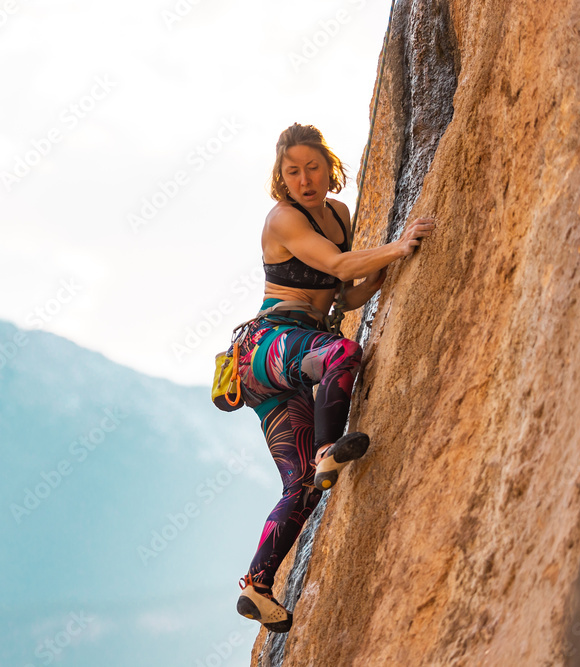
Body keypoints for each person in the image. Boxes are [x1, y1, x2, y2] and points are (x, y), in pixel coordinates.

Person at [234, 123, 435, 632]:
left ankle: (257, 586)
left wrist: (382, 274)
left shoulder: (339, 214)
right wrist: (399, 245)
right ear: (280, 178)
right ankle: (329, 449)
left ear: (329, 166)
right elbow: (340, 265)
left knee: (301, 484)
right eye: (292, 171)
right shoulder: (283, 219)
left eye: (313, 167)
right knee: (344, 353)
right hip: (268, 348)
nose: (304, 179)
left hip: (294, 361)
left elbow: (343, 297)